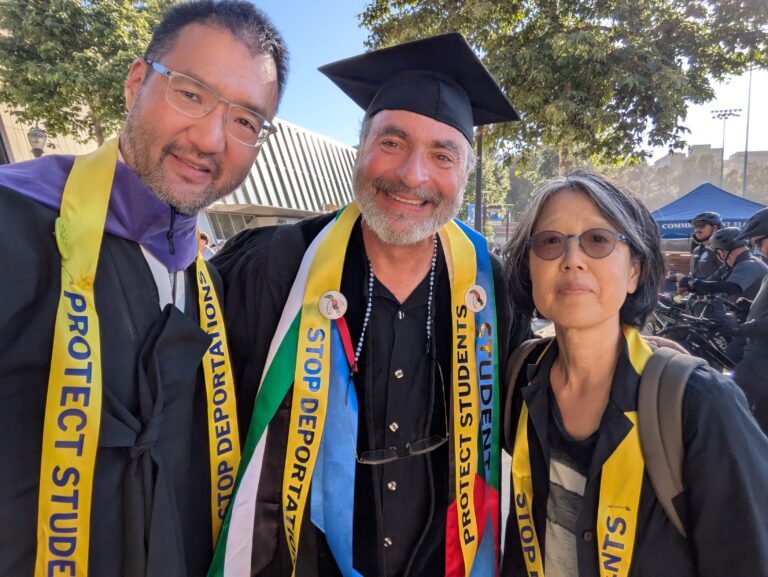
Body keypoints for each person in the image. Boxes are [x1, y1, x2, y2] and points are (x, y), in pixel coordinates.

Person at [209, 33, 529, 577]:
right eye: (392, 142)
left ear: (463, 175)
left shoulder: (488, 284)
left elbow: (530, 403)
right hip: (298, 557)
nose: (412, 175)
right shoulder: (275, 263)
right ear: (360, 148)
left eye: (442, 155)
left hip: (443, 557)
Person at [0, 2, 286, 576]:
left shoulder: (208, 281)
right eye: (191, 93)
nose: (210, 139)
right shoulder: (15, 222)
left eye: (245, 122)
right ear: (136, 83)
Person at [501, 171, 768, 577]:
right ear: (529, 269)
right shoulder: (522, 378)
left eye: (598, 240)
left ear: (634, 272)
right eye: (550, 242)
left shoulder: (701, 405)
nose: (572, 259)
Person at [723, 207, 768, 432]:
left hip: (762, 359)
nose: (757, 249)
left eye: (759, 242)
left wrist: (741, 328)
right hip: (757, 352)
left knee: (727, 404)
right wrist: (748, 308)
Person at [679, 226, 768, 302]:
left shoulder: (749, 264)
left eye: (717, 251)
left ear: (723, 251)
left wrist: (691, 282)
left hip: (758, 316)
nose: (719, 255)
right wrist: (689, 286)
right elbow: (710, 283)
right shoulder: (730, 266)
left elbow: (730, 287)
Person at [687, 211, 722, 280]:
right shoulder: (697, 250)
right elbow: (692, 273)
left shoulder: (722, 250)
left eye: (701, 225)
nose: (697, 229)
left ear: (715, 228)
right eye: (694, 225)